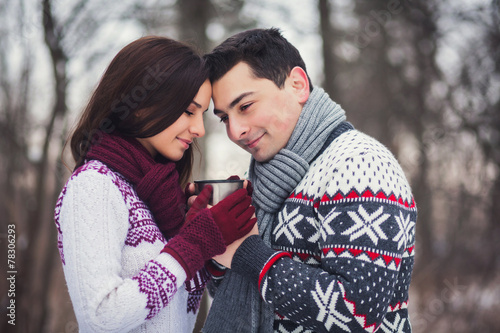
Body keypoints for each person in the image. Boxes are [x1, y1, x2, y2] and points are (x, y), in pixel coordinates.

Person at [202, 28, 417, 333]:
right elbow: (249, 300)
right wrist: (217, 246)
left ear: (298, 85)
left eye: (245, 106)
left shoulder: (360, 164)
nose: (235, 131)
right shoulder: (266, 180)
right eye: (224, 118)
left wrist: (246, 253)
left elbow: (357, 313)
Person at [54, 36, 256, 333]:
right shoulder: (94, 186)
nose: (199, 129)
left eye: (202, 115)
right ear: (140, 105)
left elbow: (177, 302)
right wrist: (192, 244)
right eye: (189, 111)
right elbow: (99, 317)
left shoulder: (159, 197)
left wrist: (210, 231)